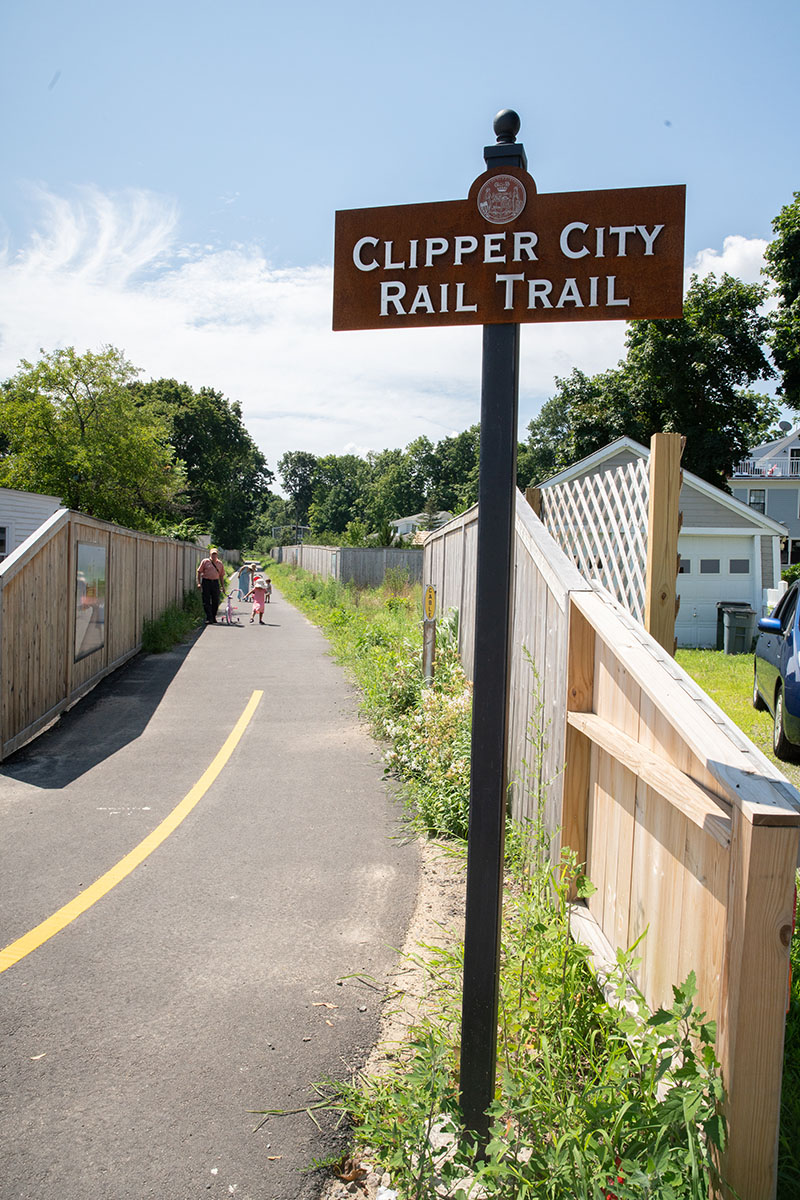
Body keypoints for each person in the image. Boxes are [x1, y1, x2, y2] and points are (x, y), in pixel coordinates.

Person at [196, 548, 225, 624]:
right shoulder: (205, 561)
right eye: (212, 554)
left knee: (216, 600)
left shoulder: (220, 563)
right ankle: (209, 617)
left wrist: (222, 586)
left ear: (217, 555)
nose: (214, 555)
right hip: (206, 582)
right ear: (210, 554)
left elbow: (221, 576)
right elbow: (199, 572)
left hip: (215, 582)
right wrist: (199, 583)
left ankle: (213, 616)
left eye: (215, 554)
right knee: (206, 600)